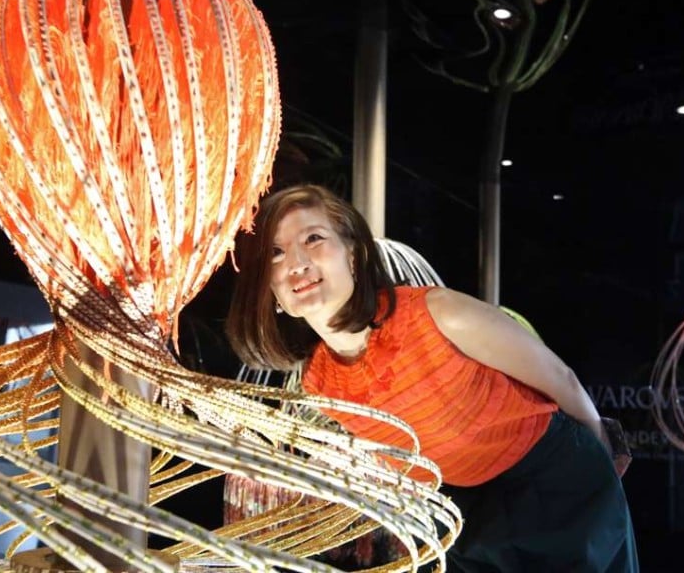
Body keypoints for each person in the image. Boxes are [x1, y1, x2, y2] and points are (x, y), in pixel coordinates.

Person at [225, 184, 639, 572]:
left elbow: (559, 377)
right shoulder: (320, 382)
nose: (297, 263)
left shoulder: (436, 313)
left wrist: (599, 460)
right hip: (470, 520)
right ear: (270, 290)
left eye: (313, 239)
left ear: (354, 254)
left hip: (556, 487)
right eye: (276, 253)